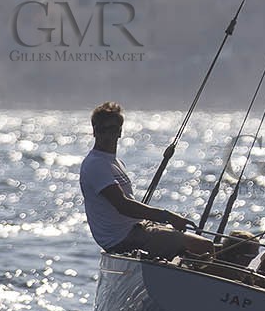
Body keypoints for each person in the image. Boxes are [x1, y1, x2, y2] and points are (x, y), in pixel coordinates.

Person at [79, 103, 211, 260]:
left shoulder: (115, 163)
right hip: (122, 239)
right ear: (94, 131)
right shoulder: (96, 164)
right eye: (102, 130)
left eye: (112, 129)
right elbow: (123, 205)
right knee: (205, 247)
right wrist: (168, 216)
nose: (106, 135)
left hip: (137, 228)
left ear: (119, 132)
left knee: (210, 250)